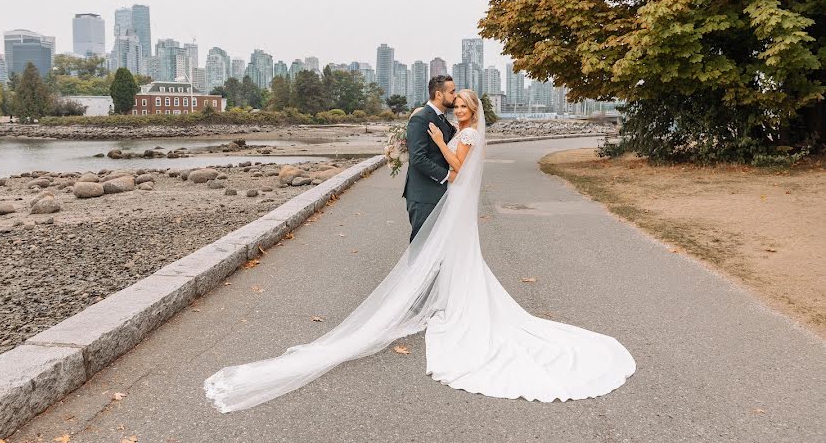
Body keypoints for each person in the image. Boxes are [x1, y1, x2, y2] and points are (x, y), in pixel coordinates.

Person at [204, 90, 635, 412]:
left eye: (464, 105)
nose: (459, 110)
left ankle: (450, 304)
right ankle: (449, 299)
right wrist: (435, 133)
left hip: (457, 196)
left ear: (473, 110)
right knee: (461, 255)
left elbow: (458, 167)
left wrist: (438, 138)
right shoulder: (466, 129)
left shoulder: (464, 134)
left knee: (457, 253)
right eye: (457, 104)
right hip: (458, 204)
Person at [403, 74, 457, 241]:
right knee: (421, 244)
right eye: (452, 92)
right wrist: (448, 176)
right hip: (423, 195)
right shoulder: (421, 118)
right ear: (439, 94)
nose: (455, 95)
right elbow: (418, 158)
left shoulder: (442, 118)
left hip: (438, 193)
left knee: (435, 246)